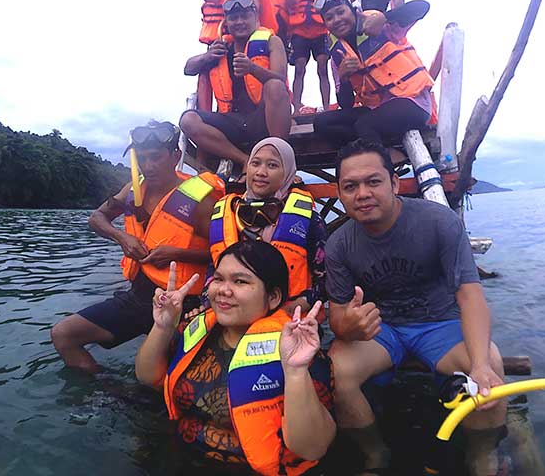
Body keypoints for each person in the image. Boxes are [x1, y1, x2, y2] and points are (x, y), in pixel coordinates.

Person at [325, 139, 508, 475]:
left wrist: (480, 364)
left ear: (394, 183)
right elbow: (337, 316)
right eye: (350, 186)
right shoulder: (338, 244)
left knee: (490, 364)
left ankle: (482, 454)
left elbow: (470, 296)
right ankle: (375, 453)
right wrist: (347, 326)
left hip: (439, 324)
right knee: (336, 371)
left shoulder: (438, 222)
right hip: (383, 330)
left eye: (373, 181)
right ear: (339, 193)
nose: (362, 193)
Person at [135, 242, 335, 475]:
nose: (223, 290)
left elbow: (313, 448)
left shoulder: (298, 352)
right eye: (219, 279)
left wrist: (296, 372)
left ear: (273, 297)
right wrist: (163, 326)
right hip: (184, 454)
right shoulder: (195, 328)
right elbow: (147, 377)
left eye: (240, 281)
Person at [50, 121, 223, 373]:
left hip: (182, 305)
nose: (148, 166)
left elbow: (225, 255)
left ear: (175, 156)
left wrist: (179, 254)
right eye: (142, 158)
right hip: (138, 297)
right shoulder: (133, 190)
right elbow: (96, 218)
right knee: (63, 335)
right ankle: (107, 389)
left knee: (165, 376)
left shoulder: (199, 201)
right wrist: (122, 238)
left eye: (156, 157)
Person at [209, 137, 327, 314]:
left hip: (289, 319)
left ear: (288, 173)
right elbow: (213, 269)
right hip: (233, 315)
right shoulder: (227, 212)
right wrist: (206, 303)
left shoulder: (309, 219)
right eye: (255, 163)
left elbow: (325, 279)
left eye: (272, 165)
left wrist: (297, 306)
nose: (261, 172)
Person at [312, 0, 437, 147]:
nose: (337, 20)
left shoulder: (383, 27)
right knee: (322, 123)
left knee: (365, 125)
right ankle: (371, 147)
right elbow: (346, 104)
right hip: (376, 109)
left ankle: (381, 159)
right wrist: (344, 79)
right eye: (329, 18)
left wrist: (385, 17)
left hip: (413, 102)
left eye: (341, 12)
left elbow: (422, 7)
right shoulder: (338, 56)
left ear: (352, 10)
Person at [182, 0, 291, 168]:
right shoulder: (220, 48)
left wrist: (252, 68)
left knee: (275, 86)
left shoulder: (272, 41)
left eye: (245, 16)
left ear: (255, 18)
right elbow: (188, 69)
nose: (239, 22)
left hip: (263, 117)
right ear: (227, 22)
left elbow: (280, 78)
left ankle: (278, 157)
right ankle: (244, 160)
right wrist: (207, 56)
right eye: (234, 18)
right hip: (232, 119)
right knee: (188, 120)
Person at [285, 0, 332, 114]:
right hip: (300, 32)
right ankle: (297, 107)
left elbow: (333, 1)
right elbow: (288, 2)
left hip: (320, 32)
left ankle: (326, 107)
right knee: (299, 69)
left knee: (322, 69)